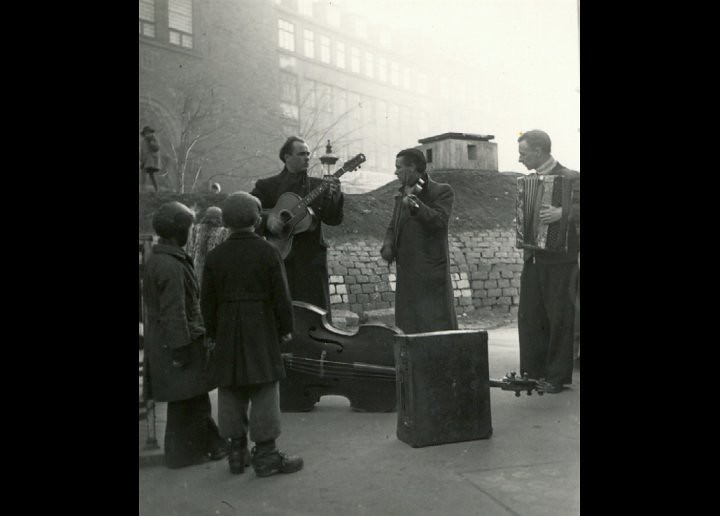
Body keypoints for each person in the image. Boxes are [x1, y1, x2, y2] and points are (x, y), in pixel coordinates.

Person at [200, 192, 303, 477]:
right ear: (257, 219)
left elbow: (206, 300)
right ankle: (267, 456)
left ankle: (236, 452)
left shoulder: (215, 256)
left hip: (226, 326)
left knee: (230, 385)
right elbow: (281, 296)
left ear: (225, 222)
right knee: (265, 386)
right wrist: (285, 328)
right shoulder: (268, 251)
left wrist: (212, 332)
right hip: (261, 325)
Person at [142, 201, 228, 468]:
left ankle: (213, 446)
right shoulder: (170, 265)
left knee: (193, 399)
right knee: (188, 401)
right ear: (180, 230)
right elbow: (174, 311)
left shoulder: (163, 259)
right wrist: (180, 349)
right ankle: (184, 456)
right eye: (190, 227)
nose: (192, 232)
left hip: (172, 342)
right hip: (180, 344)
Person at [516, 129, 580, 394]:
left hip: (560, 260)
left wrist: (562, 213)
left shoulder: (571, 177)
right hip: (533, 258)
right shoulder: (529, 181)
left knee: (559, 318)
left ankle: (556, 377)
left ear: (539, 151)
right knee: (530, 315)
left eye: (523, 152)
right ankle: (534, 372)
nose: (519, 159)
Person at [250, 136, 343, 317]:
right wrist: (268, 218)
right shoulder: (267, 186)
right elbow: (249, 210)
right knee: (280, 310)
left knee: (315, 314)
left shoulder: (319, 185)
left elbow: (333, 219)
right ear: (287, 157)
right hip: (279, 256)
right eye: (301, 154)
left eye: (308, 154)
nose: (307, 158)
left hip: (310, 261)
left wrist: (336, 196)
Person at [380, 148, 457, 333]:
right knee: (409, 328)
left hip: (430, 275)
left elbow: (439, 222)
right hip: (406, 273)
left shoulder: (442, 191)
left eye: (399, 167)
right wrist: (388, 244)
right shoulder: (401, 194)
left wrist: (416, 204)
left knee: (434, 330)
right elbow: (393, 225)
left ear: (412, 167)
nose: (395, 172)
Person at [185, 206, 228, 291]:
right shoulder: (223, 232)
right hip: (215, 266)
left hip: (197, 265)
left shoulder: (195, 229)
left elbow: (189, 248)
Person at [140, 126, 161, 192]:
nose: (147, 134)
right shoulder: (143, 142)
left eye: (148, 133)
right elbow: (142, 152)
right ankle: (143, 190)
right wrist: (142, 161)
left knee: (150, 174)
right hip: (145, 161)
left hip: (152, 160)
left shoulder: (153, 139)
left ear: (151, 133)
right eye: (146, 133)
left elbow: (157, 148)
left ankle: (156, 189)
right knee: (146, 174)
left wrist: (151, 143)